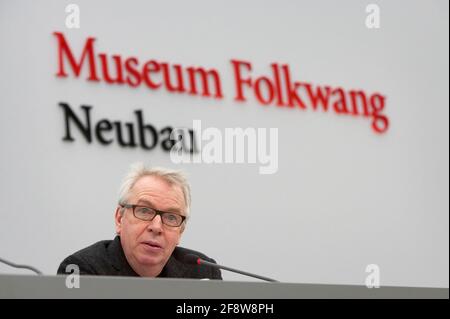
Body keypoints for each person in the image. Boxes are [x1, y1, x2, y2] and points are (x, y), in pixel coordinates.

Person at [57, 163, 222, 279]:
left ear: (180, 232)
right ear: (119, 218)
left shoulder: (202, 272)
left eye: (171, 217)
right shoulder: (82, 269)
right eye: (144, 210)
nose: (157, 227)